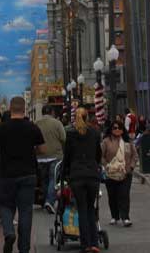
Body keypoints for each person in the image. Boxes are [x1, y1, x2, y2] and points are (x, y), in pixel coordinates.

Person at [0, 97, 45, 253]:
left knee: (5, 206)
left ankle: (9, 233)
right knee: (26, 210)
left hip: (6, 174)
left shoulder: (1, 128)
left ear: (10, 109)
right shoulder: (32, 127)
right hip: (28, 174)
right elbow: (43, 149)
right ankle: (24, 248)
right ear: (24, 109)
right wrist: (30, 149)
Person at [63, 107, 102, 253]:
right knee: (91, 208)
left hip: (77, 176)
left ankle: (85, 244)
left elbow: (67, 157)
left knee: (82, 209)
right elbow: (98, 154)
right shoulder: (94, 133)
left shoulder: (71, 134)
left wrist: (65, 173)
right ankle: (94, 243)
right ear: (87, 117)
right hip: (92, 174)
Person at [101, 118, 137, 228]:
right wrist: (106, 166)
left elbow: (134, 156)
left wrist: (131, 167)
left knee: (124, 195)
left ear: (122, 130)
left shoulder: (128, 142)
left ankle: (125, 217)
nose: (117, 130)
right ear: (111, 129)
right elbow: (100, 156)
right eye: (114, 128)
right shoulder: (106, 141)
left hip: (125, 173)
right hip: (111, 174)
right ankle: (115, 216)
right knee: (113, 196)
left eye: (119, 128)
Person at [35, 106, 65, 213]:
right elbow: (63, 138)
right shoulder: (57, 123)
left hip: (40, 157)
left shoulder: (36, 124)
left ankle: (45, 200)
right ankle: (49, 201)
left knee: (44, 180)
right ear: (52, 112)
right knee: (53, 179)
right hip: (55, 155)